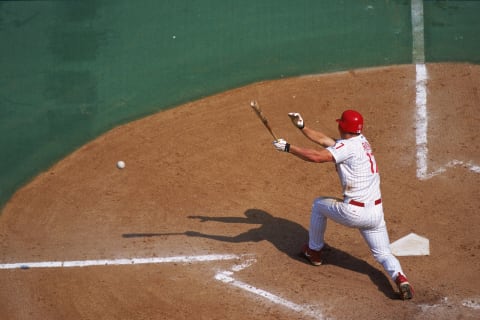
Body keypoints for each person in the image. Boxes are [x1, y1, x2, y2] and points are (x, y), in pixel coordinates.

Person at [272, 109, 414, 300]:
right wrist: (302, 127)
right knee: (383, 253)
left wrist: (288, 148)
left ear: (342, 126)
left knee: (318, 205)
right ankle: (401, 278)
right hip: (375, 214)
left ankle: (314, 252)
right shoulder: (361, 141)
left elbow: (317, 156)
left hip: (354, 212)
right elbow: (325, 141)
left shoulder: (347, 148)